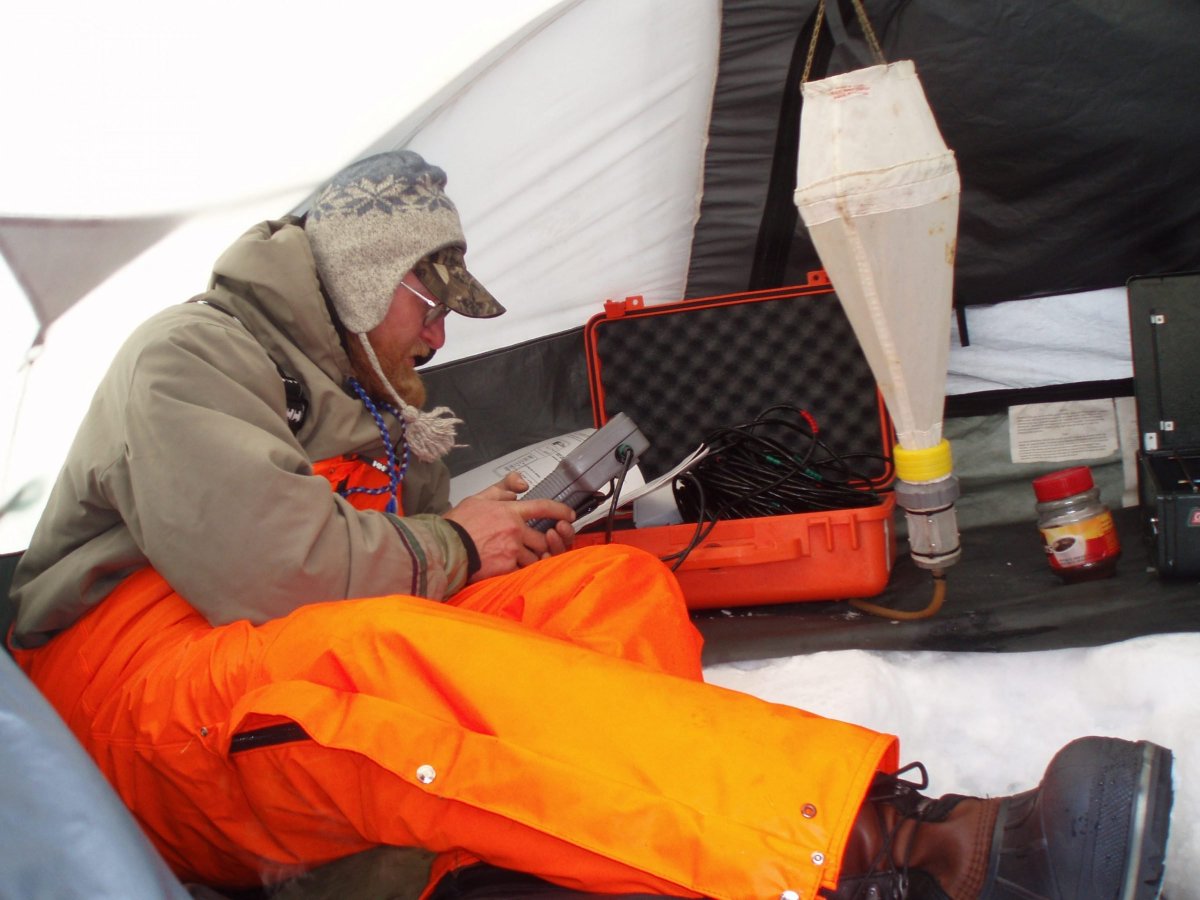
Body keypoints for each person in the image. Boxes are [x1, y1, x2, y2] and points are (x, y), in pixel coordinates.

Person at [7, 150, 1174, 900]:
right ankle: (902, 853)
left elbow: (388, 564)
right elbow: (273, 578)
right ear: (367, 272)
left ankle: (535, 873)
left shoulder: (371, 402)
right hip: (126, 704)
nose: (443, 335)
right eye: (432, 298)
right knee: (384, 662)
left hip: (273, 646)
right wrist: (458, 546)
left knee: (607, 593)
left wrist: (489, 528)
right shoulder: (190, 359)